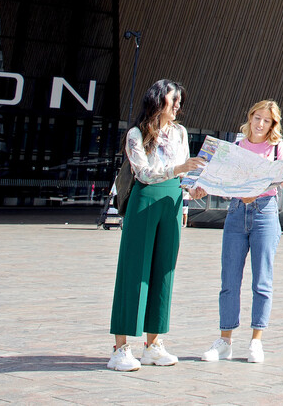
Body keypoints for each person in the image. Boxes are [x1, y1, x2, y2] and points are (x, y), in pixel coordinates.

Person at [108, 79, 205, 372]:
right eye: (173, 100)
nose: (178, 106)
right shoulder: (136, 134)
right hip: (145, 201)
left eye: (180, 102)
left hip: (172, 202)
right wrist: (180, 169)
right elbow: (145, 173)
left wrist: (193, 189)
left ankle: (153, 344)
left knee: (164, 272)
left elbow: (184, 174)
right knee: (133, 270)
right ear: (158, 100)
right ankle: (120, 347)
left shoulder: (180, 133)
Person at [195, 99, 283, 365]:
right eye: (257, 118)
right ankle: (225, 341)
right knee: (229, 281)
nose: (261, 124)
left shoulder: (277, 148)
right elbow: (219, 178)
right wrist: (202, 186)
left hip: (265, 213)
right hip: (236, 213)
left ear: (273, 124)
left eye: (267, 120)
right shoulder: (236, 147)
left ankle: (256, 341)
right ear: (250, 117)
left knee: (262, 281)